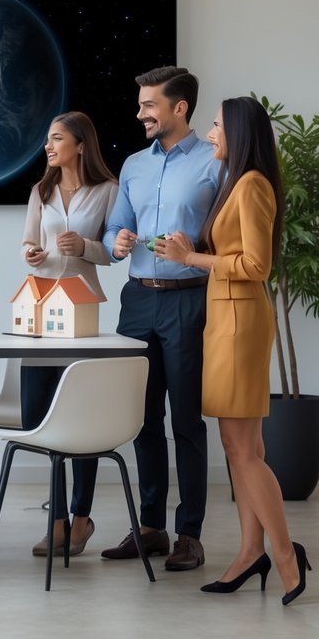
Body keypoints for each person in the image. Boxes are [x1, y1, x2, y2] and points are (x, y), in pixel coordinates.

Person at [155, 97, 309, 604]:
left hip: (241, 323)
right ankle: (249, 553)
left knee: (242, 452)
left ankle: (286, 557)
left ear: (239, 132)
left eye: (218, 125)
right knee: (242, 450)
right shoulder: (235, 183)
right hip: (228, 321)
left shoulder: (252, 185)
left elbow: (258, 266)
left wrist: (190, 256)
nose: (212, 133)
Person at [101, 66, 221, 571]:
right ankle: (150, 527)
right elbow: (112, 232)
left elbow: (228, 238)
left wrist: (195, 250)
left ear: (179, 108)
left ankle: (189, 534)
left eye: (149, 104)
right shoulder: (132, 165)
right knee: (142, 419)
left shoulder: (215, 163)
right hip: (138, 299)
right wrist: (118, 241)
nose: (140, 112)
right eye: (140, 103)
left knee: (187, 420)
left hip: (190, 299)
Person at [18, 111, 118, 558]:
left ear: (80, 144)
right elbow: (26, 244)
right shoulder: (41, 192)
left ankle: (81, 519)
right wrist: (33, 255)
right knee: (39, 419)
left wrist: (86, 248)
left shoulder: (108, 191)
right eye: (47, 139)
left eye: (56, 138)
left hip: (82, 320)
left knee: (83, 424)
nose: (48, 146)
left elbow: (113, 252)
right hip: (41, 314)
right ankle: (55, 522)